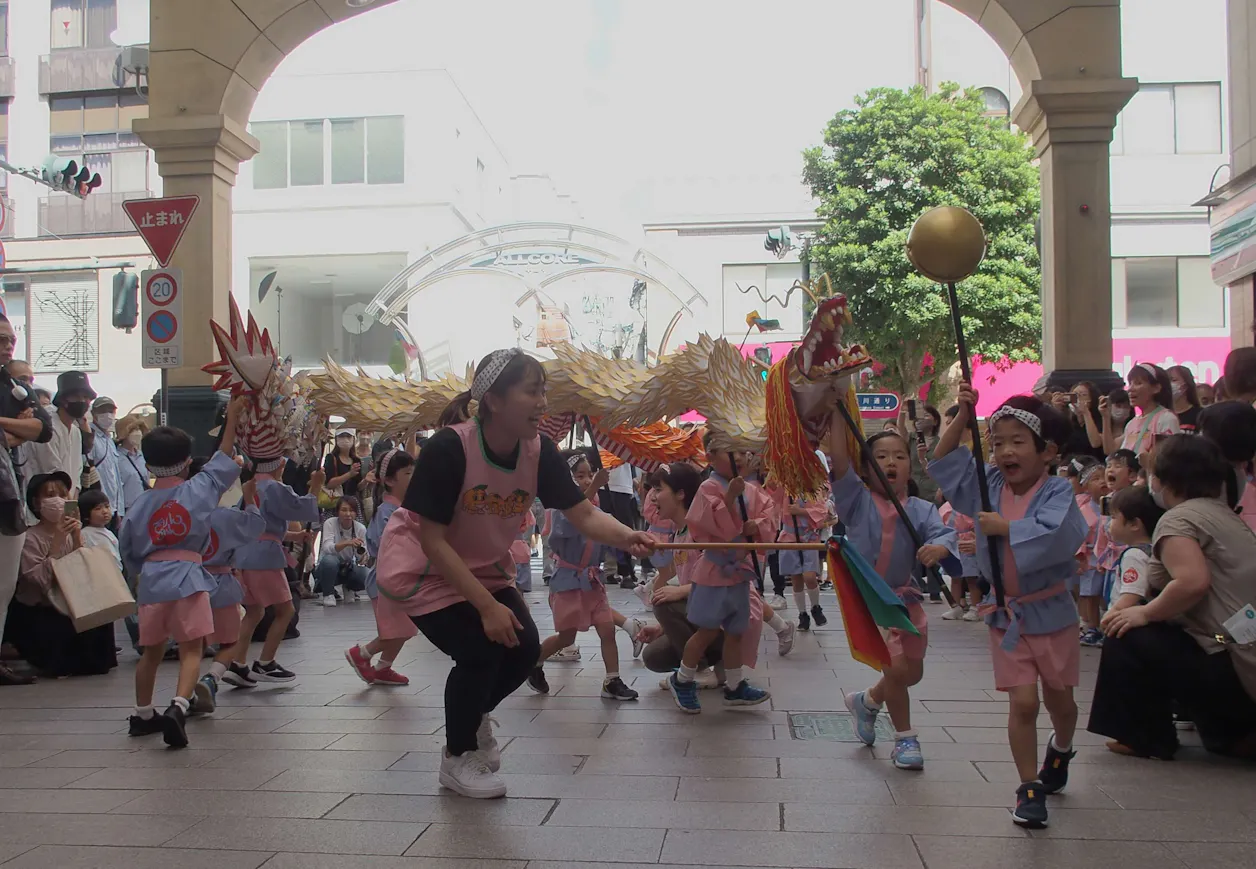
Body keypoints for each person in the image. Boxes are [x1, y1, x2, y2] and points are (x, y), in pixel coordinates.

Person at [374, 348, 654, 799]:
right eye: (532, 392)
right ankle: (457, 756)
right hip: (425, 566)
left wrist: (629, 536)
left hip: (481, 566)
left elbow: (582, 513)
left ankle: (472, 713)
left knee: (524, 651)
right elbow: (432, 540)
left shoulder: (538, 452)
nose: (543, 403)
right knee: (481, 650)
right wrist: (486, 607)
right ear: (494, 401)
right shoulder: (449, 448)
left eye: (544, 392)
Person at [930, 386, 1088, 829]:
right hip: (1007, 614)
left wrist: (1007, 527)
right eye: (997, 442)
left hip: (1052, 613)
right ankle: (1028, 786)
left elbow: (1058, 534)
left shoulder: (1057, 490)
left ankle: (1060, 748)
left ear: (1047, 451)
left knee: (1060, 700)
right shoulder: (988, 484)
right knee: (1022, 703)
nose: (1004, 451)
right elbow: (943, 462)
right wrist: (963, 415)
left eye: (1018, 441)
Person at [1089, 435, 1256, 760]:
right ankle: (1231, 734)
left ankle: (1143, 737)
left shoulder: (1179, 519)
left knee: (1126, 632)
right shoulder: (1225, 516)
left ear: (1165, 479)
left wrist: (1145, 613)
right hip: (1238, 652)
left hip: (1235, 663)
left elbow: (1192, 581)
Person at [827, 416, 958, 772]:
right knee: (898, 669)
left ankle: (867, 702)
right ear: (866, 470)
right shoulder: (856, 500)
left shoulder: (921, 508)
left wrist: (940, 549)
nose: (890, 463)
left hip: (908, 599)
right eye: (880, 456)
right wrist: (837, 416)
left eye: (899, 456)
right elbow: (840, 462)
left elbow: (943, 534)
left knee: (909, 673)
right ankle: (905, 738)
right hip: (872, 601)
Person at [119, 398, 247, 748]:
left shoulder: (139, 504)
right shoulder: (199, 489)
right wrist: (232, 416)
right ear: (188, 461)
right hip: (189, 575)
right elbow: (223, 454)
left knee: (151, 651)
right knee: (193, 650)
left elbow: (127, 549)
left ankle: (142, 714)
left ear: (146, 462)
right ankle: (178, 706)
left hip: (151, 581)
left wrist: (139, 575)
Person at [665, 433, 777, 715]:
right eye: (729, 451)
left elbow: (769, 514)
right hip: (715, 570)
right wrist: (730, 499)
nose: (737, 457)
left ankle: (734, 686)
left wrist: (756, 526)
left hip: (739, 572)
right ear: (711, 457)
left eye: (740, 451)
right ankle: (683, 679)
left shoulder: (751, 489)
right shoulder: (708, 487)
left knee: (736, 631)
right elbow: (707, 526)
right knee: (707, 630)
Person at [529, 452, 639, 701]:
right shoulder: (559, 508)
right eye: (580, 476)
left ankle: (612, 679)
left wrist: (629, 543)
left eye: (590, 474)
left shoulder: (596, 506)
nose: (587, 480)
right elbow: (571, 524)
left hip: (592, 581)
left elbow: (606, 532)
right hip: (567, 582)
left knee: (606, 629)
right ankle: (533, 662)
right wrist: (594, 489)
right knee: (566, 637)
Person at [9, 471, 117, 677]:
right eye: (49, 495)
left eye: (62, 494)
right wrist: (57, 541)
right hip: (41, 607)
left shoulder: (73, 531)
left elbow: (82, 570)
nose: (57, 500)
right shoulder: (30, 538)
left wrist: (77, 537)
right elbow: (37, 580)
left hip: (70, 600)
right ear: (36, 501)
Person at [189, 456, 265, 713]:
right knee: (230, 641)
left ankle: (185, 693)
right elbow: (256, 526)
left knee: (193, 644)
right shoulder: (228, 515)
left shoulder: (187, 510)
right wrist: (251, 499)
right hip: (221, 582)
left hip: (190, 581)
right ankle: (211, 678)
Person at [0, 325, 53, 687]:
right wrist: (16, 430)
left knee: (3, 585)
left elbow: (42, 428)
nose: (8, 345)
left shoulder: (12, 386)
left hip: (7, 497)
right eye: (1, 339)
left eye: (11, 339)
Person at [345, 448, 419, 686]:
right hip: (387, 578)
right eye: (408, 473)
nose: (413, 477)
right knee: (397, 630)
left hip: (395, 578)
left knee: (403, 628)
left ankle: (383, 668)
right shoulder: (387, 511)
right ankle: (362, 654)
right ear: (388, 480)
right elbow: (384, 546)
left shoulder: (399, 508)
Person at [20, 370, 96, 497]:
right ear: (63, 400)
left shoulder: (75, 432)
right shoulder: (49, 428)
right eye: (77, 397)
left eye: (86, 397)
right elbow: (52, 471)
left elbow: (76, 473)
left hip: (66, 505)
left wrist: (72, 504)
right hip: (43, 503)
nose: (82, 401)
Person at [1063, 457, 1108, 647]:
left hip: (1109, 557)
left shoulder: (1113, 503)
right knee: (1089, 593)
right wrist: (1079, 556)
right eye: (1096, 479)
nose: (1102, 481)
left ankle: (1106, 626)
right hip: (1089, 557)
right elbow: (1079, 534)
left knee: (1106, 593)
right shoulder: (1084, 508)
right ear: (1086, 487)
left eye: (1104, 477)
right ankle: (1092, 627)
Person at [776, 486, 831, 631]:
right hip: (789, 537)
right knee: (796, 578)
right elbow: (772, 494)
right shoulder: (785, 487)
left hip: (809, 538)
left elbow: (822, 511)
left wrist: (801, 511)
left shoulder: (813, 488)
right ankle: (802, 614)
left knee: (810, 576)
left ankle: (815, 607)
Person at [1102, 363, 1179, 457]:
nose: (1130, 389)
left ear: (1156, 388)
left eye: (1138, 383)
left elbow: (1171, 459)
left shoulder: (1166, 419)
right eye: (1130, 383)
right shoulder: (1131, 424)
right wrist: (1105, 417)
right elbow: (1111, 450)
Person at [1103, 486, 1161, 612]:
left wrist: (1112, 614)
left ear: (1134, 524)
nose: (1109, 523)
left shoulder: (1134, 555)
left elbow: (1132, 594)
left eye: (1113, 517)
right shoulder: (1153, 549)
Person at [314, 497, 369, 606]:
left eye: (352, 510)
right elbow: (327, 548)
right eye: (344, 510)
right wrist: (347, 543)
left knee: (366, 575)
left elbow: (360, 558)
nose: (348, 514)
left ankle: (349, 588)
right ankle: (328, 593)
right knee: (330, 561)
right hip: (328, 567)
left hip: (348, 567)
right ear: (337, 512)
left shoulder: (360, 528)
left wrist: (363, 555)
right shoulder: (330, 523)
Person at [87, 397, 124, 528]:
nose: (108, 415)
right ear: (94, 413)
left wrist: (119, 510)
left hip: (112, 510)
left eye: (111, 411)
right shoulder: (89, 437)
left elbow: (116, 478)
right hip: (97, 510)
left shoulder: (110, 440)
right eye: (103, 410)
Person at [78, 489, 121, 572]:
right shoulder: (85, 534)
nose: (105, 511)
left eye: (107, 506)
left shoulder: (108, 532)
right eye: (98, 508)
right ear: (86, 515)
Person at [323, 430, 363, 520]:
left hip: (352, 505)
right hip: (335, 504)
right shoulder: (331, 458)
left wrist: (366, 480)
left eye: (348, 436)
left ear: (353, 439)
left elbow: (358, 487)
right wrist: (349, 474)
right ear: (336, 439)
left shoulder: (356, 460)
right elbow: (329, 484)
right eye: (341, 436)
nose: (345, 439)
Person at [116, 417, 151, 512]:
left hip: (144, 506)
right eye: (133, 430)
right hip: (127, 508)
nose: (137, 433)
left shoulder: (142, 456)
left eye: (138, 429)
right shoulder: (116, 457)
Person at [1066, 381, 1106, 460]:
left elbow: (1096, 443)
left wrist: (1086, 413)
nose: (1078, 399)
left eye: (1083, 395)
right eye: (1075, 395)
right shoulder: (1071, 423)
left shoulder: (1101, 420)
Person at [1167, 365, 1203, 434]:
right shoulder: (1161, 415)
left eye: (1173, 380)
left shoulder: (1200, 414)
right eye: (1167, 381)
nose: (1169, 384)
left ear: (1185, 386)